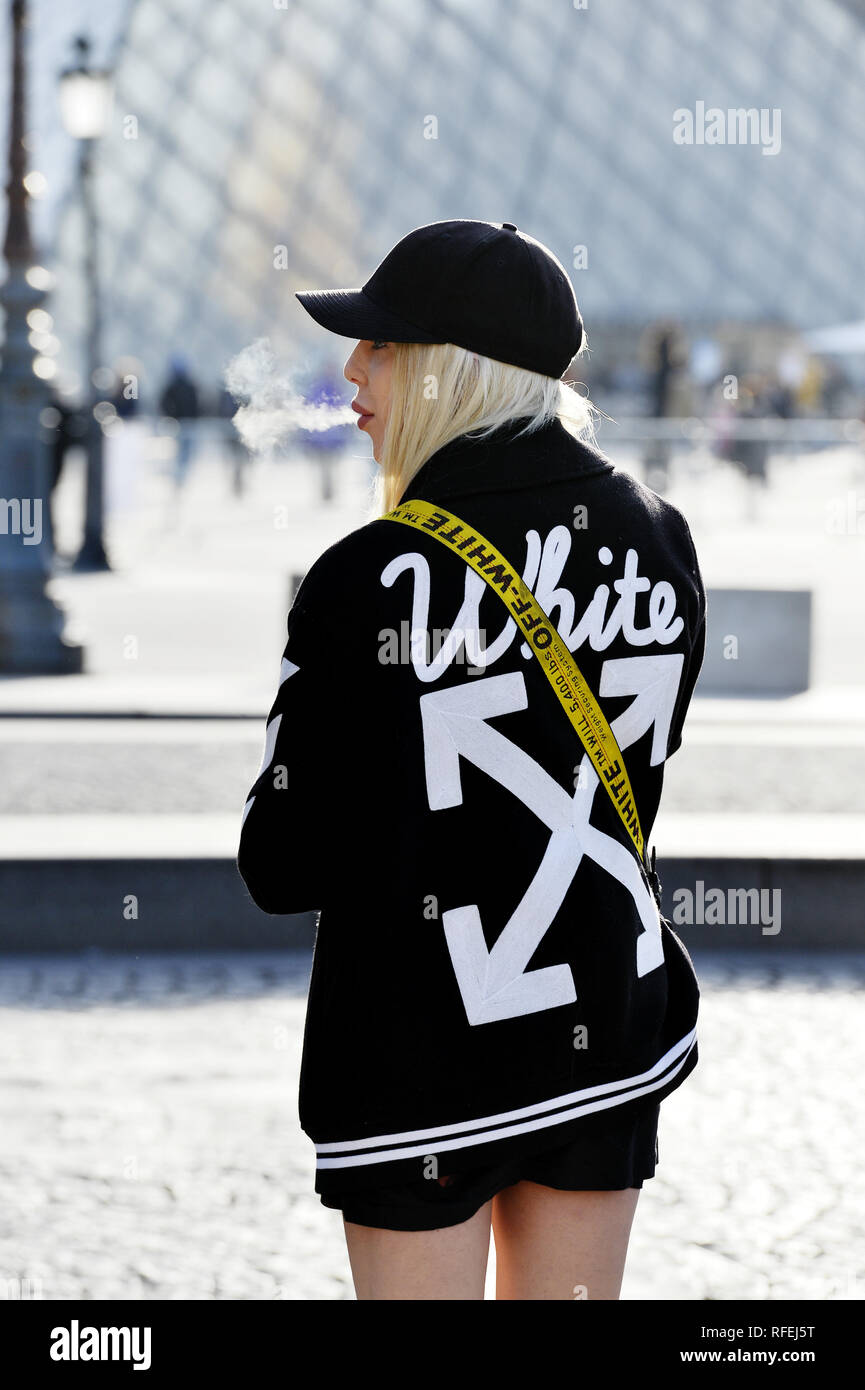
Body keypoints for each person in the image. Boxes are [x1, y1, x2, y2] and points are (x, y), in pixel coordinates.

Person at [236, 220, 706, 1301]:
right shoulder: (658, 535)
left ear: (450, 368)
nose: (352, 372)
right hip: (603, 1025)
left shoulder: (370, 573)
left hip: (419, 1056)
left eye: (381, 345)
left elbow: (281, 864)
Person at [159, 352, 200, 490]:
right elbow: (165, 404)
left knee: (185, 455)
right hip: (176, 426)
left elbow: (196, 405)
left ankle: (181, 480)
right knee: (177, 455)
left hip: (186, 425)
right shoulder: (176, 386)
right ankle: (177, 480)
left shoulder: (188, 386)